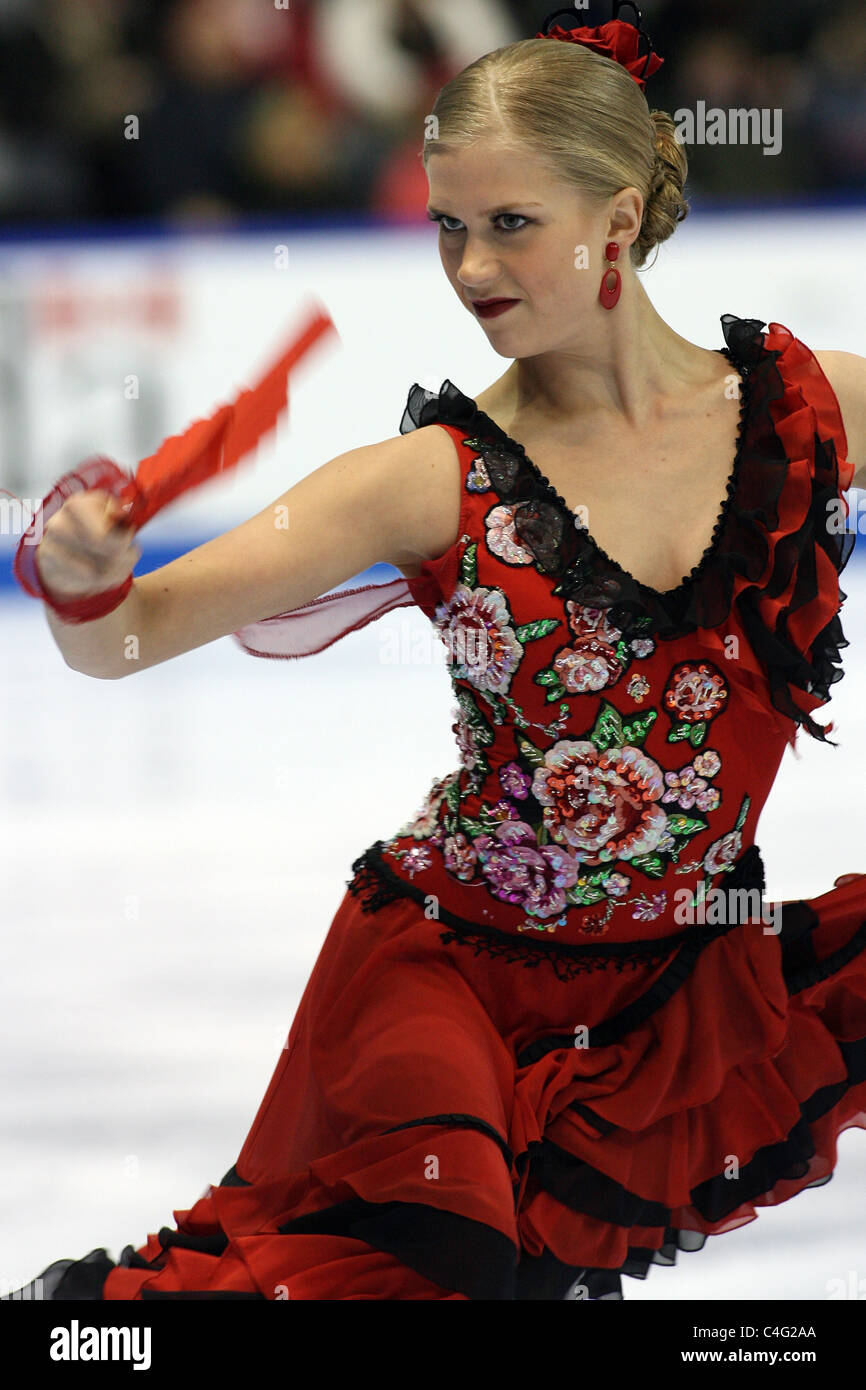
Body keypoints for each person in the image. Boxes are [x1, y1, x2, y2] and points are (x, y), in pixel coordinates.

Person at [7, 5, 866, 1301]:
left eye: (508, 224)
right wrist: (79, 580)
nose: (470, 267)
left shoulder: (810, 410)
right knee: (425, 1263)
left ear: (617, 222)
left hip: (671, 981)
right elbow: (124, 640)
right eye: (447, 227)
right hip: (442, 966)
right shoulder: (422, 482)